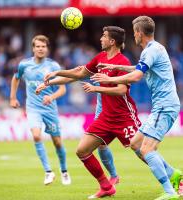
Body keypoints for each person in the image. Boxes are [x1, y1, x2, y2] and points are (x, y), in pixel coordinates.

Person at [36, 26, 141, 198]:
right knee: (82, 150)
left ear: (112, 41)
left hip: (124, 117)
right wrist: (53, 78)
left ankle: (174, 179)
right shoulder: (100, 58)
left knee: (144, 152)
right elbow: (79, 73)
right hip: (106, 116)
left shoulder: (122, 62)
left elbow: (122, 90)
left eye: (104, 36)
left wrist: (95, 89)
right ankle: (106, 187)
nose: (100, 38)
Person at [91, 16, 183, 199]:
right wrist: (114, 66)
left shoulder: (149, 52)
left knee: (146, 150)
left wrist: (109, 78)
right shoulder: (155, 48)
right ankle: (173, 173)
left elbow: (136, 77)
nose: (133, 35)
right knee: (135, 143)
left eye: (134, 32)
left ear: (139, 33)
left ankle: (170, 192)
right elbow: (139, 69)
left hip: (165, 106)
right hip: (161, 106)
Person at [10, 35, 71, 185]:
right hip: (32, 108)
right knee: (36, 135)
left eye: (43, 46)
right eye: (37, 46)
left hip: (50, 109)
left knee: (57, 142)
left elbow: (62, 89)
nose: (40, 49)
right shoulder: (24, 65)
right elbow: (16, 78)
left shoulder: (54, 66)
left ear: (47, 48)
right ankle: (48, 172)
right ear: (33, 48)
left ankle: (64, 171)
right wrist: (12, 97)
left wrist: (52, 97)